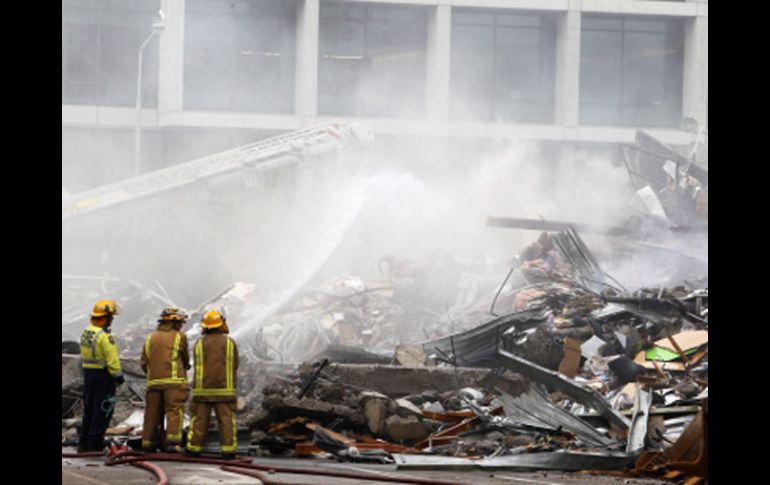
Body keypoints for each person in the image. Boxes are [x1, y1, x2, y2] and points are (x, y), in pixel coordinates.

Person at [186, 310, 239, 458]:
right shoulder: (230, 343)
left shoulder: (199, 344)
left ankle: (194, 449)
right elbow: (235, 364)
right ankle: (228, 452)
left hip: (202, 391)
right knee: (226, 420)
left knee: (200, 420)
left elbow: (198, 366)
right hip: (225, 391)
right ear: (221, 324)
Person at [140, 307, 190, 453]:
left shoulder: (150, 338)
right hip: (174, 383)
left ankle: (148, 443)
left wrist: (153, 374)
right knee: (174, 411)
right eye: (180, 323)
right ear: (174, 323)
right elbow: (185, 358)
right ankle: (172, 443)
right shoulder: (179, 337)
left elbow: (144, 362)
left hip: (153, 383)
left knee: (152, 414)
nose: (181, 325)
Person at [78, 300, 124, 452]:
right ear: (106, 317)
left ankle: (83, 443)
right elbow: (112, 359)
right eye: (111, 317)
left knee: (89, 410)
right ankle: (95, 444)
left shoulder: (87, 332)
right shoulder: (106, 336)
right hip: (103, 377)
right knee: (103, 410)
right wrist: (118, 376)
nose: (112, 321)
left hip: (88, 375)